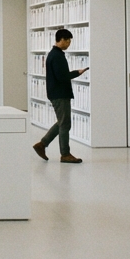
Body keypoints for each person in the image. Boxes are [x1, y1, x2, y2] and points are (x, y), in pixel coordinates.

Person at [33, 29, 89, 164]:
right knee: (65, 124)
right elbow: (62, 77)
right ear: (62, 40)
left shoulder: (54, 54)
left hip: (57, 93)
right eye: (68, 41)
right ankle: (65, 154)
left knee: (62, 122)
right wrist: (77, 73)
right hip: (60, 94)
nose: (69, 43)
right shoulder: (57, 56)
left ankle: (42, 144)